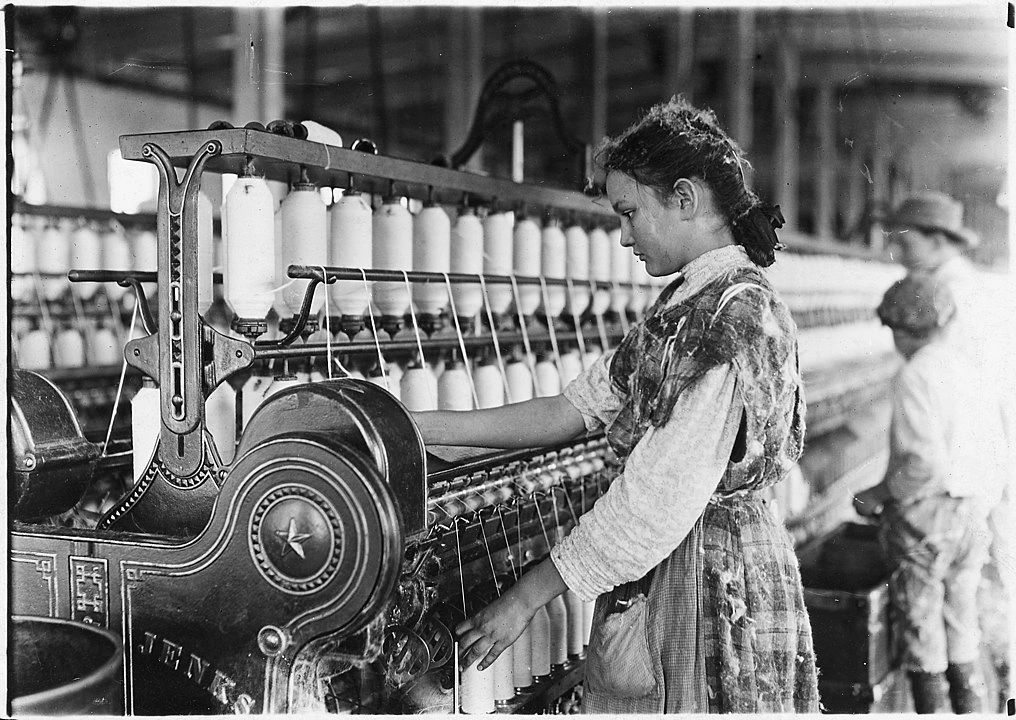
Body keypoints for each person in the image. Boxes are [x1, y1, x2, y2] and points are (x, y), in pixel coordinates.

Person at [413, 97, 820, 713]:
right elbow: (567, 411)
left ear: (684, 198)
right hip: (678, 563)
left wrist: (526, 598)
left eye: (630, 213)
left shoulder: (732, 319)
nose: (624, 236)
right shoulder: (684, 310)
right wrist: (409, 427)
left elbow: (654, 501)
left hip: (709, 576)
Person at [882, 191, 1015, 709]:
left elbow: (938, 404)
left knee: (931, 621)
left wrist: (892, 485)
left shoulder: (951, 298)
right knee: (965, 612)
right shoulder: (967, 289)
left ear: (938, 240)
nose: (898, 250)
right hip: (976, 477)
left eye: (905, 240)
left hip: (948, 483)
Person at [853, 273, 1007, 713]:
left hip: (929, 520)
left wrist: (879, 494)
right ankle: (972, 710)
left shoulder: (914, 374)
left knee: (922, 633)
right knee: (961, 624)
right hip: (972, 515)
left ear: (900, 330)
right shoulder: (966, 367)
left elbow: (923, 463)